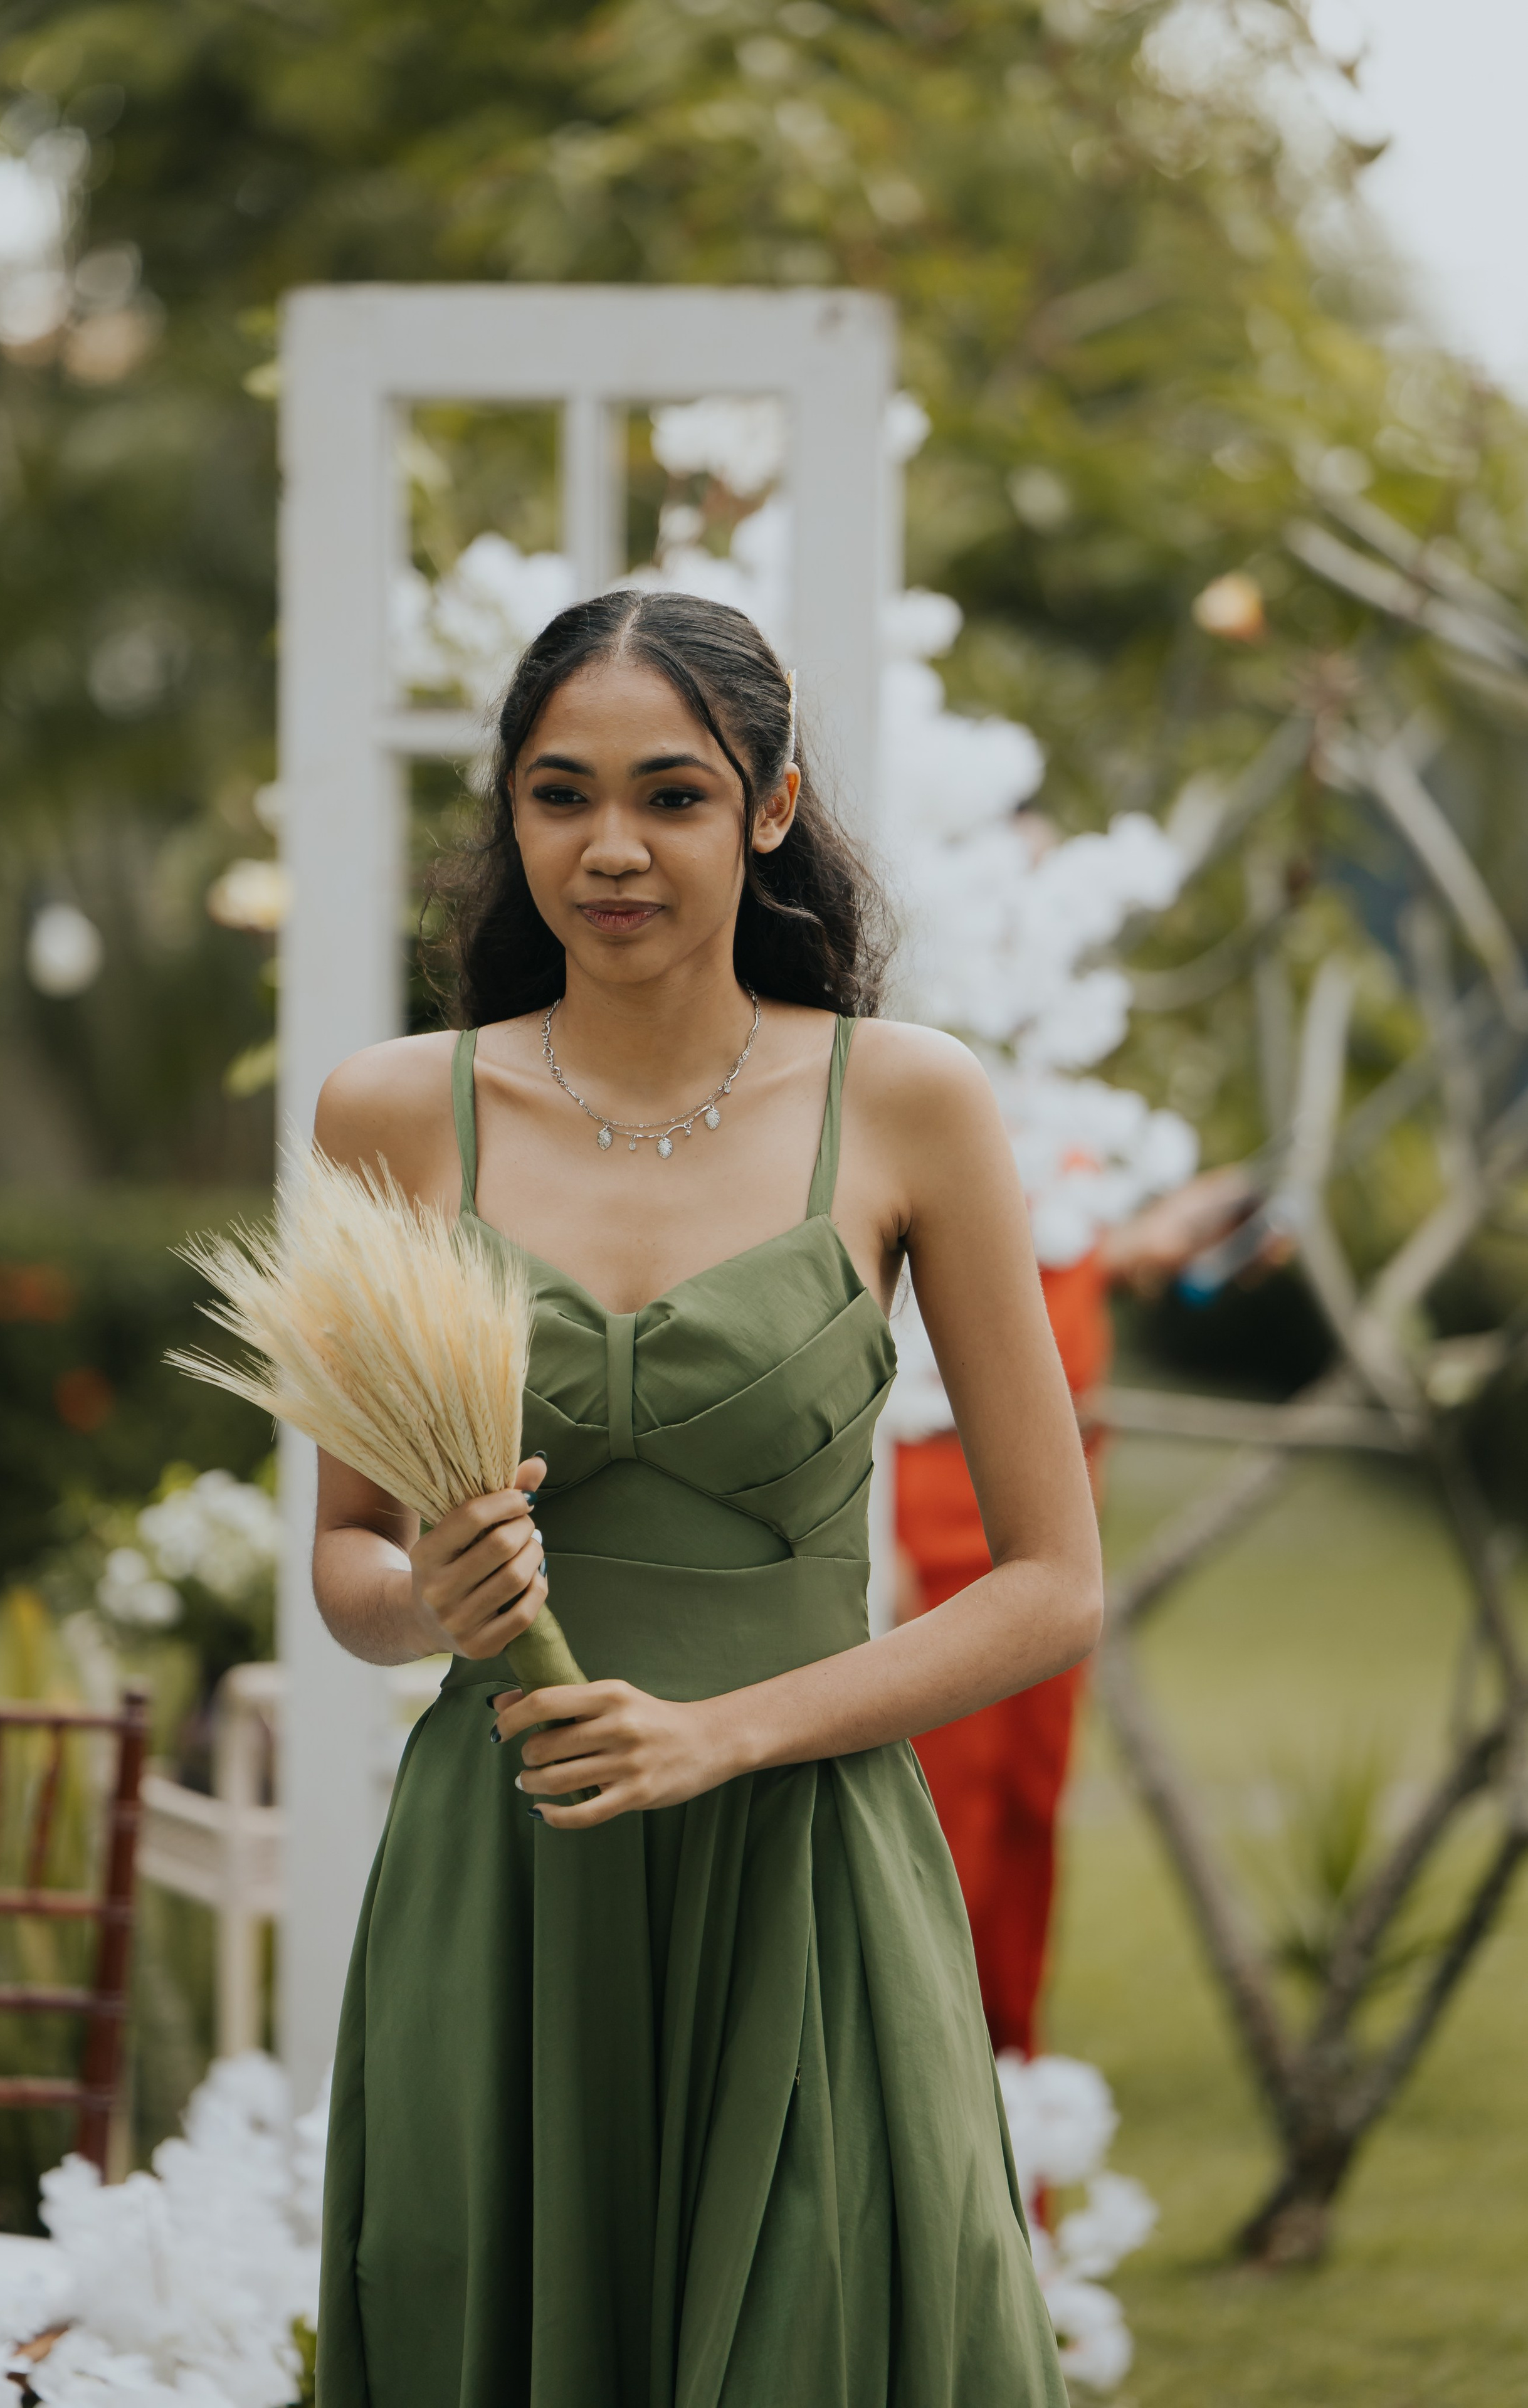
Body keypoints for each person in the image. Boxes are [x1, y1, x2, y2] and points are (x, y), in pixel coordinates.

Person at [308, 589, 1102, 2407]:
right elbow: (345, 1562)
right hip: (505, 1879)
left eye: (670, 795)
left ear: (769, 808)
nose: (611, 848)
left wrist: (723, 1737)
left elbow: (1054, 1584)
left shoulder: (908, 1105)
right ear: (509, 816)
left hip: (804, 1873)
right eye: (559, 794)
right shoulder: (390, 1115)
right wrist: (429, 1596)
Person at [894, 1168, 1263, 2058]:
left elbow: (1038, 1272)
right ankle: (920, 2084)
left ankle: (1004, 2085)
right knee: (935, 1831)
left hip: (1048, 1520)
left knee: (1024, 1816)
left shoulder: (1072, 1151)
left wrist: (1145, 1242)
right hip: (930, 1508)